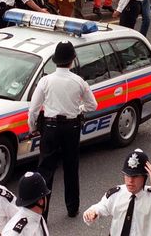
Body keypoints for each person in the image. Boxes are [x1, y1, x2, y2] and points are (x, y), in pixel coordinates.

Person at [28, 41, 98, 219]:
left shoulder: (45, 81)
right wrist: (79, 109)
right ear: (72, 60)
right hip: (71, 127)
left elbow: (33, 110)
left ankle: (42, 212)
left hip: (50, 127)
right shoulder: (79, 81)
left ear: (55, 60)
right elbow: (93, 105)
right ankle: (72, 208)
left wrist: (33, 127)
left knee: (45, 170)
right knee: (71, 167)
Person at [83, 149, 151, 235]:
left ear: (144, 177)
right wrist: (93, 212)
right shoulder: (116, 194)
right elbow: (101, 207)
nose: (130, 180)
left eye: (135, 176)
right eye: (127, 175)